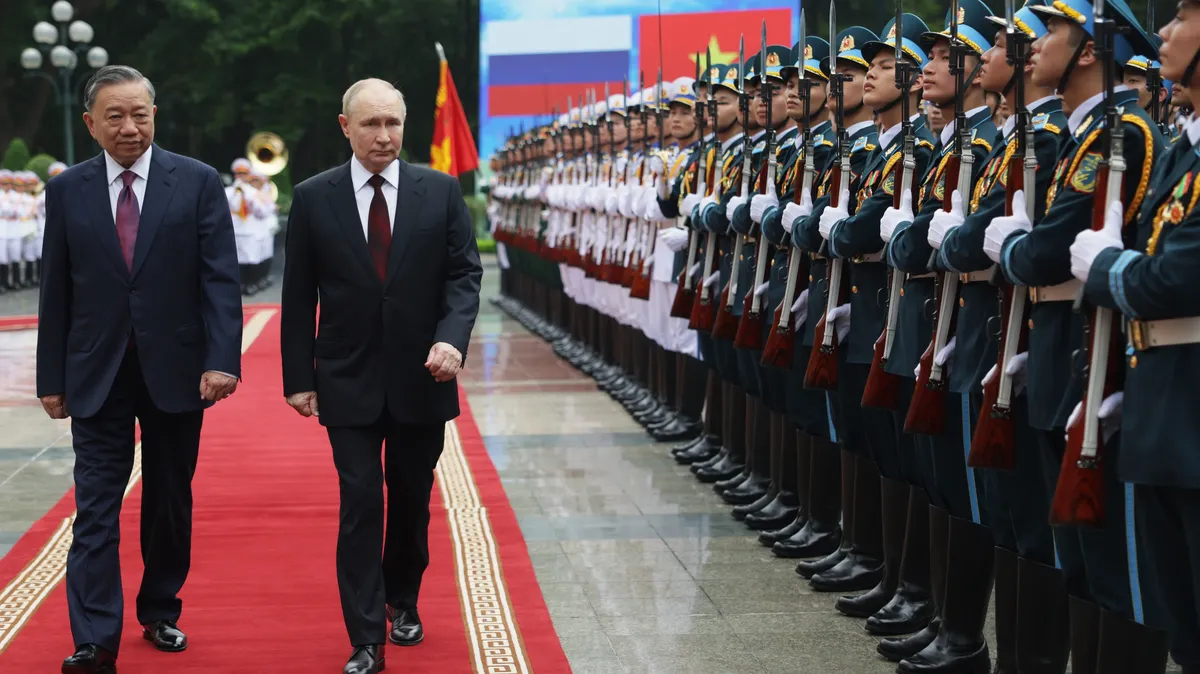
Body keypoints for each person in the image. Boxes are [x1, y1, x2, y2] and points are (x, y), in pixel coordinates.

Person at [36, 64, 242, 674]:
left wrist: (221, 360)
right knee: (95, 504)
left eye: (140, 114)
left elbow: (219, 278)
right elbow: (56, 291)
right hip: (95, 370)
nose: (130, 127)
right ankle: (95, 638)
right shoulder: (67, 190)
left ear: (155, 115)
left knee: (169, 497)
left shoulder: (197, 181)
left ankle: (159, 609)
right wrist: (52, 377)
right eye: (116, 117)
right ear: (90, 124)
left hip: (177, 369)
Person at [279, 77, 483, 674]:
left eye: (393, 123)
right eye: (371, 124)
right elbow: (298, 297)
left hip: (425, 375)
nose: (384, 135)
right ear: (346, 127)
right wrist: (299, 377)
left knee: (412, 499)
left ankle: (403, 596)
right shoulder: (314, 198)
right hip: (347, 377)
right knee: (362, 499)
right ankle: (366, 635)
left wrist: (452, 338)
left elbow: (463, 277)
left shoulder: (440, 192)